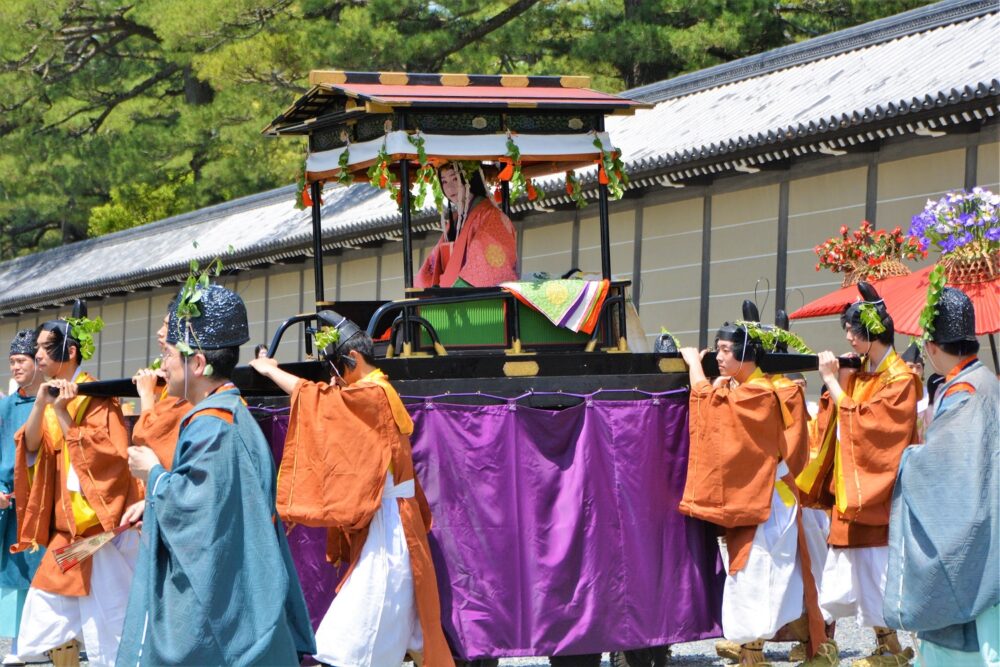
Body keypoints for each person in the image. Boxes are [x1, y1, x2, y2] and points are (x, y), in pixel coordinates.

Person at [117, 283, 315, 665]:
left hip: (219, 599)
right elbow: (214, 498)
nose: (162, 366)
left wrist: (153, 475)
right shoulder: (226, 412)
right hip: (237, 579)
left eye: (168, 355)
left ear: (197, 363)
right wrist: (154, 500)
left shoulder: (212, 425)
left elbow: (198, 511)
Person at [250, 310, 455, 667]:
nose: (335, 379)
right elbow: (326, 399)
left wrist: (270, 370)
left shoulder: (373, 395)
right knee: (389, 616)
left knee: (364, 620)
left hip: (393, 527)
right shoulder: (374, 389)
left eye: (337, 368)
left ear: (354, 359)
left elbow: (315, 399)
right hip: (390, 521)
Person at [678, 322, 826, 666]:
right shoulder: (756, 388)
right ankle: (757, 644)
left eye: (726, 350)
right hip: (761, 493)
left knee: (758, 570)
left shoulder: (762, 391)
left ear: (748, 354)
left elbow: (712, 407)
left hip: (768, 497)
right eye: (717, 349)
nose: (719, 356)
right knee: (762, 569)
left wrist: (694, 367)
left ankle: (756, 649)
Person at [796, 281, 920, 666]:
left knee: (875, 570)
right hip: (857, 490)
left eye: (852, 329)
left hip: (879, 490)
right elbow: (844, 416)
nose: (847, 337)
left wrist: (834, 382)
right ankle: (867, 644)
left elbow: (869, 430)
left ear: (871, 332)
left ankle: (887, 646)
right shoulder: (868, 371)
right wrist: (841, 382)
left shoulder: (900, 379)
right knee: (855, 572)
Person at [12, 317, 139, 667]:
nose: (36, 353)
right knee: (45, 613)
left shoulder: (98, 396)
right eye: (35, 347)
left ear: (68, 351)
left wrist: (63, 413)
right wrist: (41, 405)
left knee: (111, 625)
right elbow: (31, 446)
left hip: (101, 533)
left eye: (42, 347)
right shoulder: (51, 393)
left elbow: (107, 457)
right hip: (68, 534)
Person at [883, 287, 998, 666]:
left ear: (931, 347)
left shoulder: (963, 392)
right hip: (991, 528)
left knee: (960, 642)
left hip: (973, 538)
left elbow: (944, 471)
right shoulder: (988, 383)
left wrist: (911, 457)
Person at [0, 331, 45, 664]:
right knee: (13, 573)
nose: (15, 367)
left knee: (43, 571)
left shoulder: (51, 401)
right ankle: (17, 642)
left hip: (43, 500)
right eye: (12, 361)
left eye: (21, 361)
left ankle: (46, 642)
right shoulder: (5, 406)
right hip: (11, 500)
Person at [415, 161, 518, 288]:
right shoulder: (455, 219)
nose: (449, 188)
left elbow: (485, 262)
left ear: (469, 179)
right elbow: (434, 264)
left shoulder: (490, 215)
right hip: (449, 293)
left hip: (474, 298)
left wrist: (457, 288)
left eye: (455, 179)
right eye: (444, 182)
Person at [129, 312, 189, 470]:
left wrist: (147, 395)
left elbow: (148, 438)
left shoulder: (190, 398)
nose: (160, 332)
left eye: (167, 326)